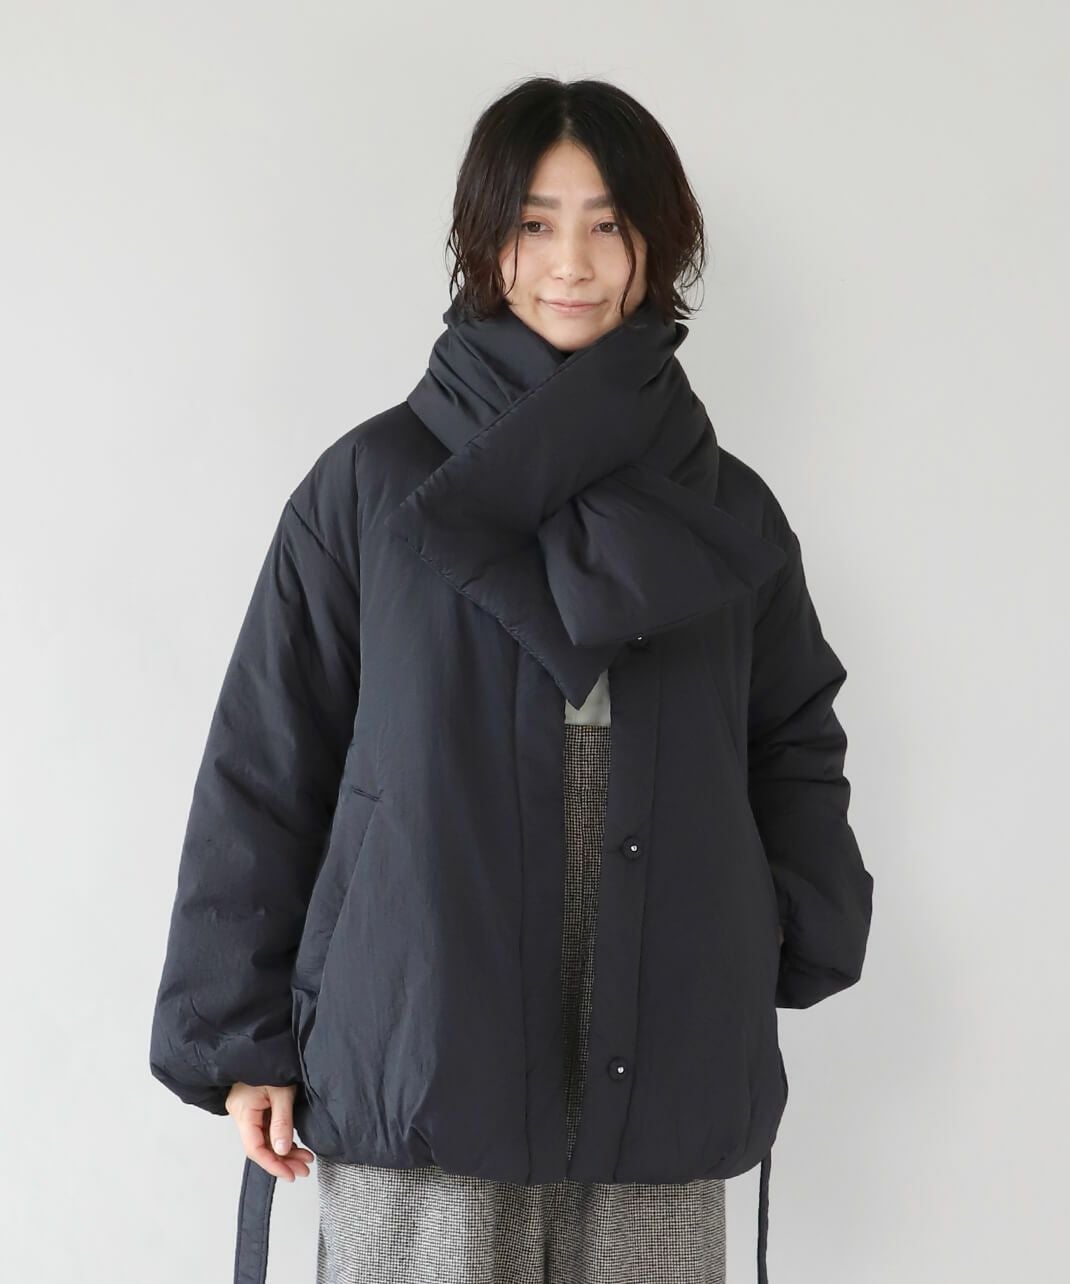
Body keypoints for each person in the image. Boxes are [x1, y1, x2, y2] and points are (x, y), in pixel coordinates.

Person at [150, 76, 873, 1284]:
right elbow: (271, 757)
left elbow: (789, 735)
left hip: (661, 1053)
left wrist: (778, 926)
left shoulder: (725, 506)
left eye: (607, 224)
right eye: (535, 224)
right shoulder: (369, 487)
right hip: (421, 1050)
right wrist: (241, 1037)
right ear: (485, 243)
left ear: (654, 247)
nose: (570, 263)